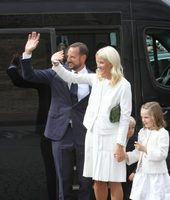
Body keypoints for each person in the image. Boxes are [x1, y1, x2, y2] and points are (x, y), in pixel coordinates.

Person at [51, 45, 132, 200]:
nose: (98, 66)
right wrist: (56, 64)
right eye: (97, 62)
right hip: (93, 136)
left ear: (111, 63)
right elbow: (71, 77)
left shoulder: (124, 85)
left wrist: (120, 145)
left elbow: (124, 117)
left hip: (112, 139)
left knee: (114, 181)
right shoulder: (95, 78)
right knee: (98, 181)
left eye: (101, 62)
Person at [20, 32, 93, 200]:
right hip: (60, 133)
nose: (68, 60)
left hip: (85, 134)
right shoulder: (56, 72)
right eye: (67, 56)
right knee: (63, 180)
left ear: (83, 58)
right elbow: (29, 76)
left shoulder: (94, 78)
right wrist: (28, 53)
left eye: (73, 57)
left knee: (85, 181)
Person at [7, 53, 56, 200]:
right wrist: (13, 66)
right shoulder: (46, 80)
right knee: (50, 166)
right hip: (46, 127)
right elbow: (20, 81)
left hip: (65, 129)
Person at [126, 101, 170, 200]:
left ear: (156, 116)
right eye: (142, 117)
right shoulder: (142, 132)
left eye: (146, 117)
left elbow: (162, 154)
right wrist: (126, 156)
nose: (143, 120)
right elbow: (138, 153)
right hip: (142, 174)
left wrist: (145, 149)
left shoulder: (163, 133)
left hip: (156, 176)